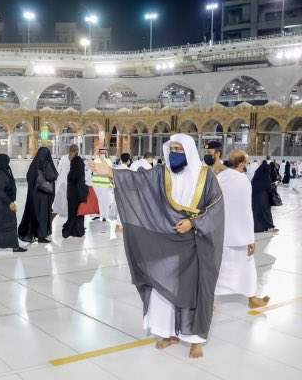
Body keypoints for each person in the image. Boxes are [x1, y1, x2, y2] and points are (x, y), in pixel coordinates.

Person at [93, 133, 224, 359]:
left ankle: (196, 340)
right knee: (162, 286)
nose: (174, 154)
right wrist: (111, 172)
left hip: (195, 242)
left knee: (194, 291)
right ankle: (167, 333)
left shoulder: (206, 176)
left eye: (179, 149)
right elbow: (138, 181)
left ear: (189, 151)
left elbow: (216, 208)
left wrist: (193, 222)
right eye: (171, 149)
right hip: (165, 238)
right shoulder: (162, 173)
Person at [215, 150, 270, 308]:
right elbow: (246, 211)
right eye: (246, 161)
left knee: (219, 267)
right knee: (247, 268)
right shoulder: (242, 180)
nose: (247, 164)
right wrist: (250, 239)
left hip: (221, 231)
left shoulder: (220, 177)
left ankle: (209, 301)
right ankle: (252, 299)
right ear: (241, 163)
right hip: (239, 234)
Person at [18, 147, 58, 243]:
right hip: (44, 196)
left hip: (34, 195)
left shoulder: (34, 164)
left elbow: (28, 177)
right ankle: (41, 236)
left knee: (35, 214)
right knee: (43, 215)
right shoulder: (47, 164)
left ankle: (34, 233)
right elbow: (53, 176)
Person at [62, 145, 88, 238]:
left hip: (75, 192)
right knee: (79, 211)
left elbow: (73, 177)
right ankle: (78, 230)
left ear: (72, 152)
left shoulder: (75, 161)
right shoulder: (79, 161)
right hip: (79, 191)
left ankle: (71, 231)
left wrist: (69, 178)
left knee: (73, 211)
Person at [251, 161, 278, 233]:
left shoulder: (256, 177)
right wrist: (274, 185)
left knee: (257, 213)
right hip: (264, 199)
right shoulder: (266, 177)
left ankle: (258, 228)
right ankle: (269, 227)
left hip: (255, 199)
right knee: (266, 213)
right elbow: (269, 187)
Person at [91, 149, 114, 221]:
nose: (102, 154)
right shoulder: (108, 161)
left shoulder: (96, 160)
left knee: (99, 201)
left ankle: (99, 215)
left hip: (98, 185)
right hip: (103, 185)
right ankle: (103, 215)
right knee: (104, 201)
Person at [52, 153, 70, 217]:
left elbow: (59, 169)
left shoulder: (63, 158)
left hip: (62, 178)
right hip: (69, 178)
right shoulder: (74, 158)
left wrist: (58, 177)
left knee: (61, 194)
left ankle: (61, 210)